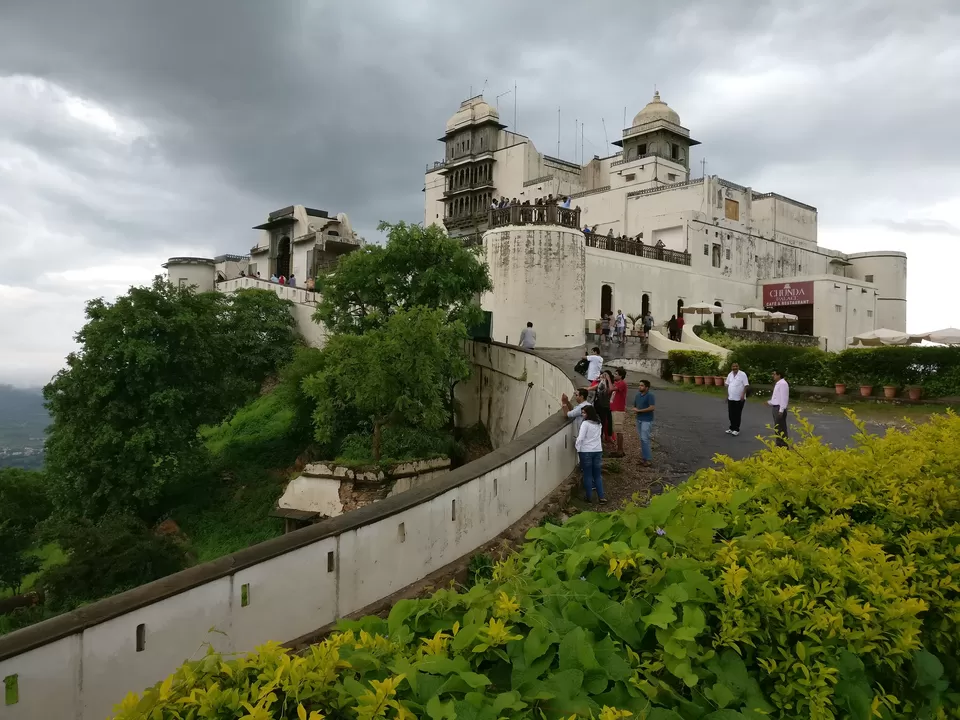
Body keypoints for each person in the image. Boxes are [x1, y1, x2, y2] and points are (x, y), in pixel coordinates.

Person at [575, 404, 607, 504]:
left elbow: (581, 438)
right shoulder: (598, 424)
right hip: (597, 450)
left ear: (588, 414)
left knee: (587, 475)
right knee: (597, 475)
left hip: (586, 451)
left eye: (584, 413)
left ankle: (589, 497)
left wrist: (577, 447)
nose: (583, 415)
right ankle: (601, 497)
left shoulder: (585, 424)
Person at [631, 379, 656, 466]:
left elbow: (652, 407)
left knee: (645, 439)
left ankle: (648, 459)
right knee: (642, 439)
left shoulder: (650, 396)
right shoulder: (638, 395)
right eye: (639, 385)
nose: (640, 387)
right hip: (639, 419)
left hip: (647, 420)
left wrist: (640, 410)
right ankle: (644, 458)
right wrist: (635, 410)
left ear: (647, 387)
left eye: (642, 385)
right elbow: (635, 406)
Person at [724, 362, 750, 436]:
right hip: (731, 397)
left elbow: (746, 385)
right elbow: (727, 384)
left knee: (737, 414)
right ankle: (731, 428)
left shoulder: (742, 374)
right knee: (731, 414)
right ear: (731, 367)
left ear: (738, 367)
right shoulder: (730, 374)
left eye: (736, 366)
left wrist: (742, 394)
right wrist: (727, 395)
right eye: (733, 366)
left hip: (739, 398)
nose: (735, 368)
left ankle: (736, 429)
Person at [609, 367, 628, 457]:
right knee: (616, 430)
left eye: (616, 374)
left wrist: (608, 379)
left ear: (621, 376)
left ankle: (620, 450)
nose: (614, 375)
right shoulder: (617, 383)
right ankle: (619, 449)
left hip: (618, 410)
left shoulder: (622, 384)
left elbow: (611, 389)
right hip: (614, 409)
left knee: (619, 430)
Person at [768, 369, 790, 447]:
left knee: (781, 428)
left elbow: (784, 398)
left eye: (774, 374)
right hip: (775, 407)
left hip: (779, 408)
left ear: (779, 375)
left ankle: (784, 446)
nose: (773, 376)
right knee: (777, 428)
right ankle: (778, 445)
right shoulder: (778, 383)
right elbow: (777, 397)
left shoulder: (783, 384)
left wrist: (781, 410)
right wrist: (769, 402)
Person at [593, 370, 615, 446]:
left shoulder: (609, 385)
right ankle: (600, 438)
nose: (603, 376)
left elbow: (610, 390)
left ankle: (604, 438)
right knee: (598, 422)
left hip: (605, 406)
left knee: (604, 422)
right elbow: (594, 387)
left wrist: (608, 379)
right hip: (598, 405)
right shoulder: (600, 383)